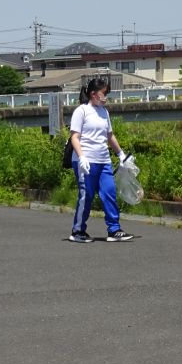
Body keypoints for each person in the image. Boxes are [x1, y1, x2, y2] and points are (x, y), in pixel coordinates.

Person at [68, 77, 134, 242]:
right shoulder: (81, 111)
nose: (106, 97)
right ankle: (78, 231)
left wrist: (121, 155)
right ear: (93, 94)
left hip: (104, 160)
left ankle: (114, 229)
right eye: (104, 93)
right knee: (87, 195)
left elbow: (109, 136)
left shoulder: (104, 112)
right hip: (86, 162)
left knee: (109, 192)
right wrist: (81, 157)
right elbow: (74, 137)